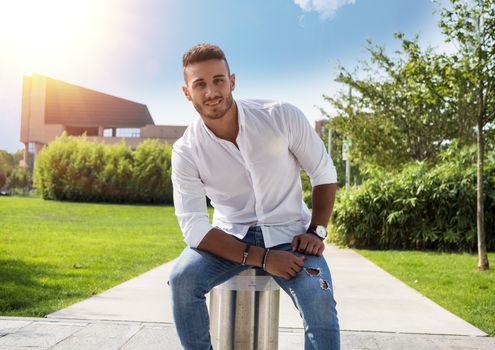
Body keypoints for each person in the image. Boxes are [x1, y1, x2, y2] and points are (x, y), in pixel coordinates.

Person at [169, 43, 340, 350]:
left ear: (232, 81)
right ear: (187, 92)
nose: (211, 92)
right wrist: (263, 258)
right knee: (182, 279)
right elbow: (194, 228)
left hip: (292, 234)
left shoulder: (281, 116)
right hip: (229, 238)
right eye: (200, 84)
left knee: (319, 296)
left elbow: (323, 173)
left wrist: (317, 229)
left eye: (218, 80)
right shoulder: (186, 151)